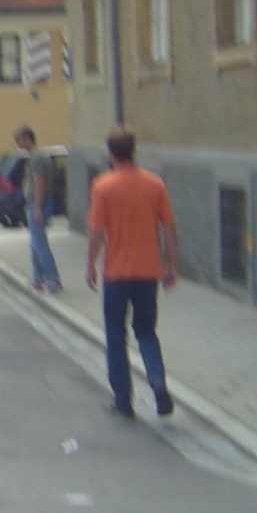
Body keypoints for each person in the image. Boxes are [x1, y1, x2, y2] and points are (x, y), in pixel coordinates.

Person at [86, 126, 178, 419]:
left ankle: (123, 400)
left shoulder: (103, 186)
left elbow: (96, 231)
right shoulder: (154, 184)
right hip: (148, 270)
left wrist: (90, 264)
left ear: (110, 154)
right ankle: (157, 380)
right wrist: (170, 264)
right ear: (133, 151)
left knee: (116, 334)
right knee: (146, 330)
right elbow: (168, 227)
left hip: (116, 271)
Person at [13, 125, 61, 293]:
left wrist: (38, 208)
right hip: (38, 202)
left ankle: (53, 278)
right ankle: (38, 278)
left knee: (38, 242)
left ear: (27, 139)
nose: (17, 144)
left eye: (18, 140)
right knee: (35, 242)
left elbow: (39, 182)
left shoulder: (37, 158)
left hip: (39, 202)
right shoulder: (39, 156)